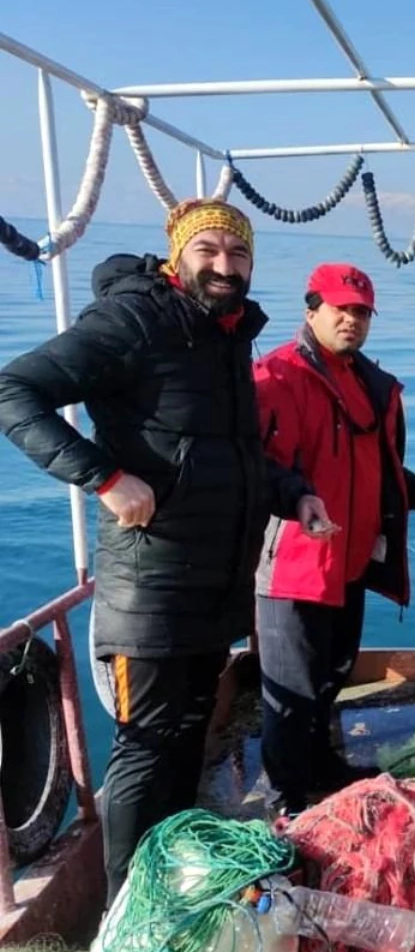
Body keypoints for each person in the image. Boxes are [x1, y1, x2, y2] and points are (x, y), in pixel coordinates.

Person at [0, 198, 318, 903]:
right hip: (149, 587)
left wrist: (293, 493)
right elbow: (14, 391)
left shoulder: (227, 335)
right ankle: (125, 914)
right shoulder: (136, 320)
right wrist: (105, 479)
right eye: (208, 251)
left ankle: (169, 885)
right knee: (146, 747)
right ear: (178, 255)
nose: (224, 266)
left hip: (213, 584)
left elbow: (229, 455)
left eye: (237, 255)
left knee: (185, 737)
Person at [252, 264, 415, 815]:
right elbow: (255, 469)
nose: (352, 320)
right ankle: (285, 805)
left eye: (362, 311)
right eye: (341, 308)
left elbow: (383, 465)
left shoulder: (369, 383)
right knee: (292, 693)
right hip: (294, 566)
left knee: (331, 678)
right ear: (311, 309)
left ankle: (320, 766)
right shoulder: (273, 377)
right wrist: (297, 501)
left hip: (350, 564)